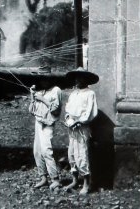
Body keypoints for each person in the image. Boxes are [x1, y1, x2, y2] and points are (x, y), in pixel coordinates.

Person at [63, 66, 99, 195]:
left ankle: (86, 184)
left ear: (86, 80)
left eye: (81, 78)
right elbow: (68, 109)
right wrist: (68, 119)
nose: (78, 80)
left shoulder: (90, 93)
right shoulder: (74, 93)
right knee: (72, 154)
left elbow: (91, 111)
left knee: (82, 154)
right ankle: (74, 180)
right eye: (76, 78)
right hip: (72, 127)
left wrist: (80, 121)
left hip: (82, 127)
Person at [29, 78, 63, 190]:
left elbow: (56, 110)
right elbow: (31, 110)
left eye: (46, 78)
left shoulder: (56, 90)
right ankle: (43, 178)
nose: (43, 81)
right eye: (41, 78)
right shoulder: (40, 91)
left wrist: (43, 99)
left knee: (46, 151)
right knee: (37, 151)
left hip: (48, 124)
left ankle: (55, 179)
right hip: (38, 122)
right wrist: (32, 96)